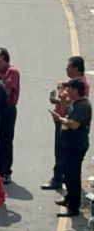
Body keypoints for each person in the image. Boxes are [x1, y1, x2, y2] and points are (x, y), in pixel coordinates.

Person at [43, 56, 89, 190]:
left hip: (67, 124)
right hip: (64, 120)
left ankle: (58, 178)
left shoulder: (80, 87)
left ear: (76, 69)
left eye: (68, 67)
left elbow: (71, 103)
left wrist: (57, 100)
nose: (66, 70)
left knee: (61, 152)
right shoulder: (76, 82)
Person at [51, 78, 92, 217]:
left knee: (73, 175)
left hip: (76, 146)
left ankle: (74, 206)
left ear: (76, 90)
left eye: (69, 89)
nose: (67, 91)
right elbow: (65, 113)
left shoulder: (83, 106)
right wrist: (62, 101)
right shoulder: (75, 102)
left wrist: (60, 119)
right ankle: (69, 198)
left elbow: (74, 124)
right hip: (69, 144)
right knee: (68, 174)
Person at [0, 47, 19, 184]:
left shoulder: (12, 72)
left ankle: (6, 171)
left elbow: (6, 90)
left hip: (7, 110)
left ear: (2, 57)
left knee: (6, 140)